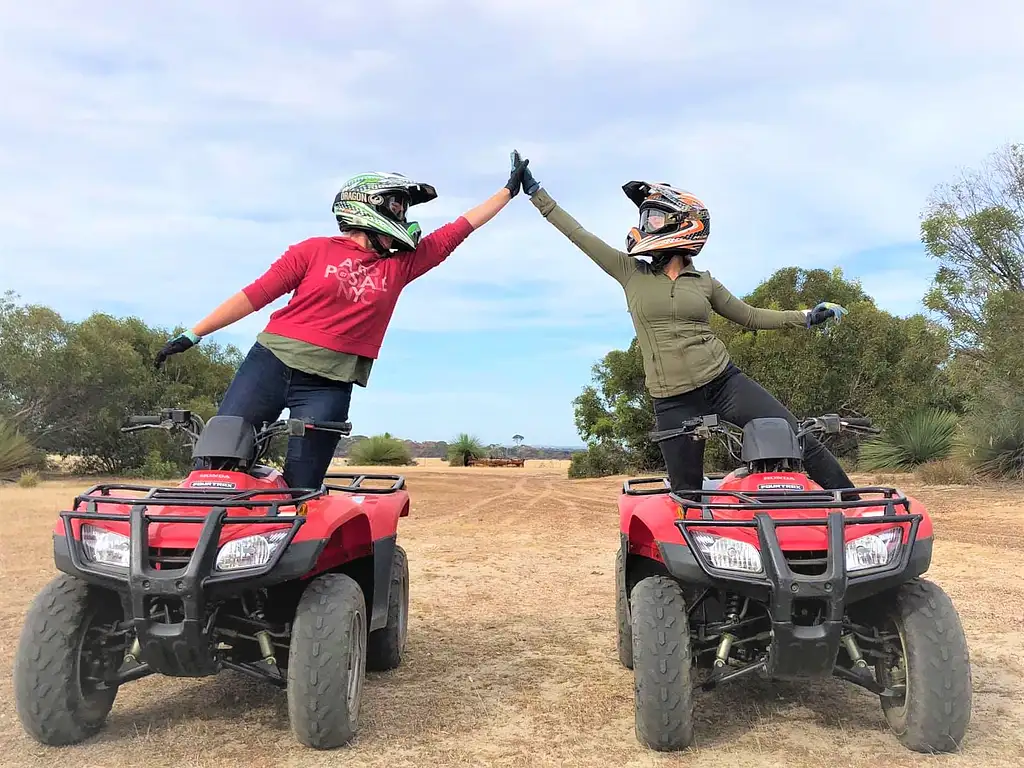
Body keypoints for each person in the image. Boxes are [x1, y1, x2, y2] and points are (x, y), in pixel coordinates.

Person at [154, 159, 530, 488]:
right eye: (397, 204)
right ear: (367, 207)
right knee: (218, 463)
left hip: (329, 384)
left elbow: (455, 232)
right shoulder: (314, 250)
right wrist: (193, 334)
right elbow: (255, 295)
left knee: (302, 486)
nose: (403, 215)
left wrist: (507, 192)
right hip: (269, 364)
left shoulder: (399, 266)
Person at [512, 151, 853, 493]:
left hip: (723, 383)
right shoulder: (631, 273)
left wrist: (807, 317)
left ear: (683, 223)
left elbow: (749, 315)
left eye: (655, 220)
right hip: (672, 399)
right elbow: (579, 234)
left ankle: (854, 502)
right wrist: (535, 193)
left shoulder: (704, 282)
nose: (646, 227)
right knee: (687, 494)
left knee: (796, 436)